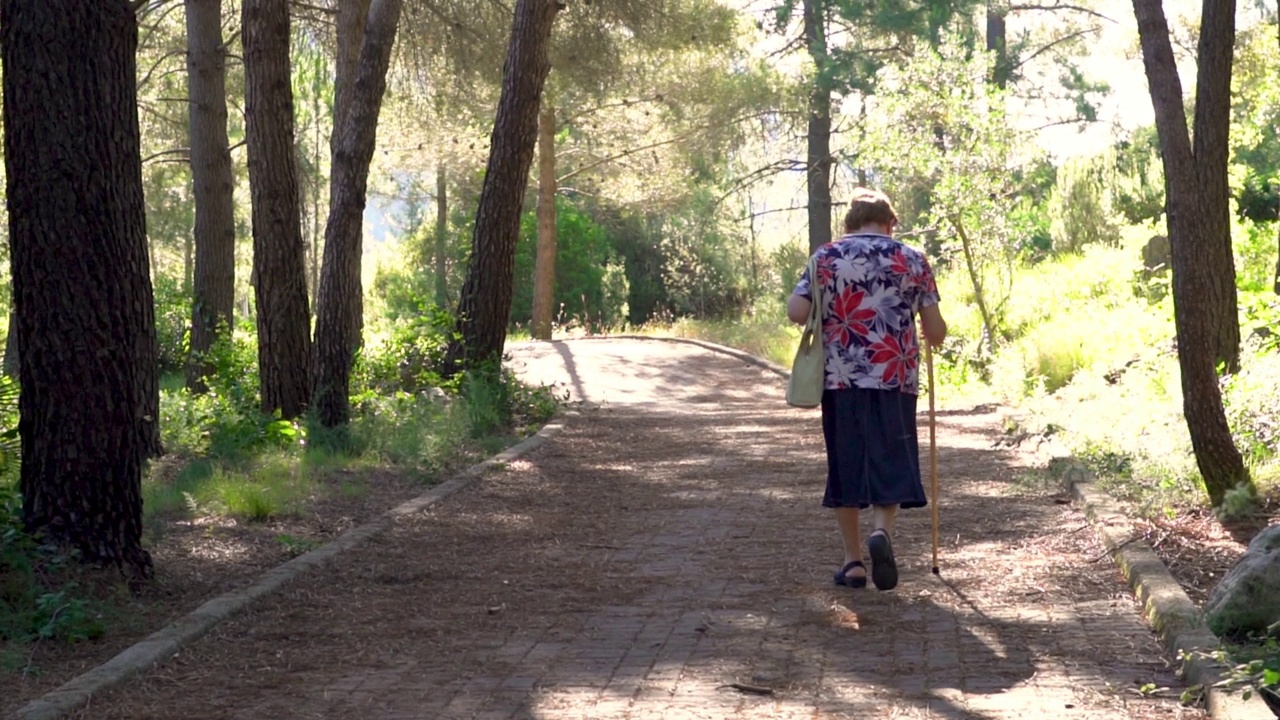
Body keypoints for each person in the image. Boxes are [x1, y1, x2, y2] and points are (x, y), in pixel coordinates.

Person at [787, 188, 947, 591]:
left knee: (847, 462)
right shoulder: (912, 259)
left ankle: (853, 561)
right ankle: (882, 531)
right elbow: (935, 330)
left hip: (841, 378)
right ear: (890, 222)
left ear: (850, 222)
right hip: (895, 376)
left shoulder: (825, 258)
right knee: (890, 456)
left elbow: (797, 312)